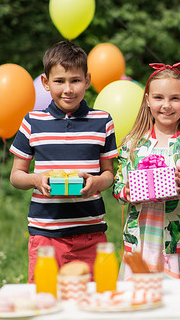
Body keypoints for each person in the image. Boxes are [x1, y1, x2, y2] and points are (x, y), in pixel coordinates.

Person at [10, 40, 118, 282]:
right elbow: (16, 176)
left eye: (75, 80)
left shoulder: (102, 121)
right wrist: (36, 179)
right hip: (46, 235)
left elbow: (109, 174)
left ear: (87, 80)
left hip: (90, 234)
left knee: (93, 300)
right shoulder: (32, 121)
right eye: (59, 81)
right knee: (46, 301)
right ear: (46, 82)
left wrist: (96, 183)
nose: (68, 89)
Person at [113, 62, 180, 279]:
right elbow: (118, 188)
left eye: (175, 98)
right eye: (159, 98)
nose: (166, 105)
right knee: (140, 303)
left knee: (178, 308)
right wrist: (127, 191)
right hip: (140, 244)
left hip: (179, 246)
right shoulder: (132, 145)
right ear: (147, 99)